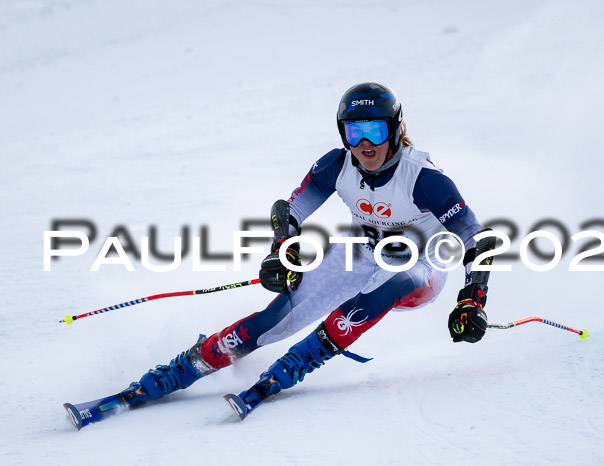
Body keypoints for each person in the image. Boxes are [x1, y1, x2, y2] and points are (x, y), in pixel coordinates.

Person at [119, 82, 492, 416]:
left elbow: (475, 236)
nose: (365, 144)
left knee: (392, 283)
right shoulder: (337, 165)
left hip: (421, 266)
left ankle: (294, 365)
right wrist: (283, 251)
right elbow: (289, 211)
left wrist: (472, 297)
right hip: (361, 251)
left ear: (394, 130)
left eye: (375, 131)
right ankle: (183, 369)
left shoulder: (423, 178)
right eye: (354, 132)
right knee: (278, 314)